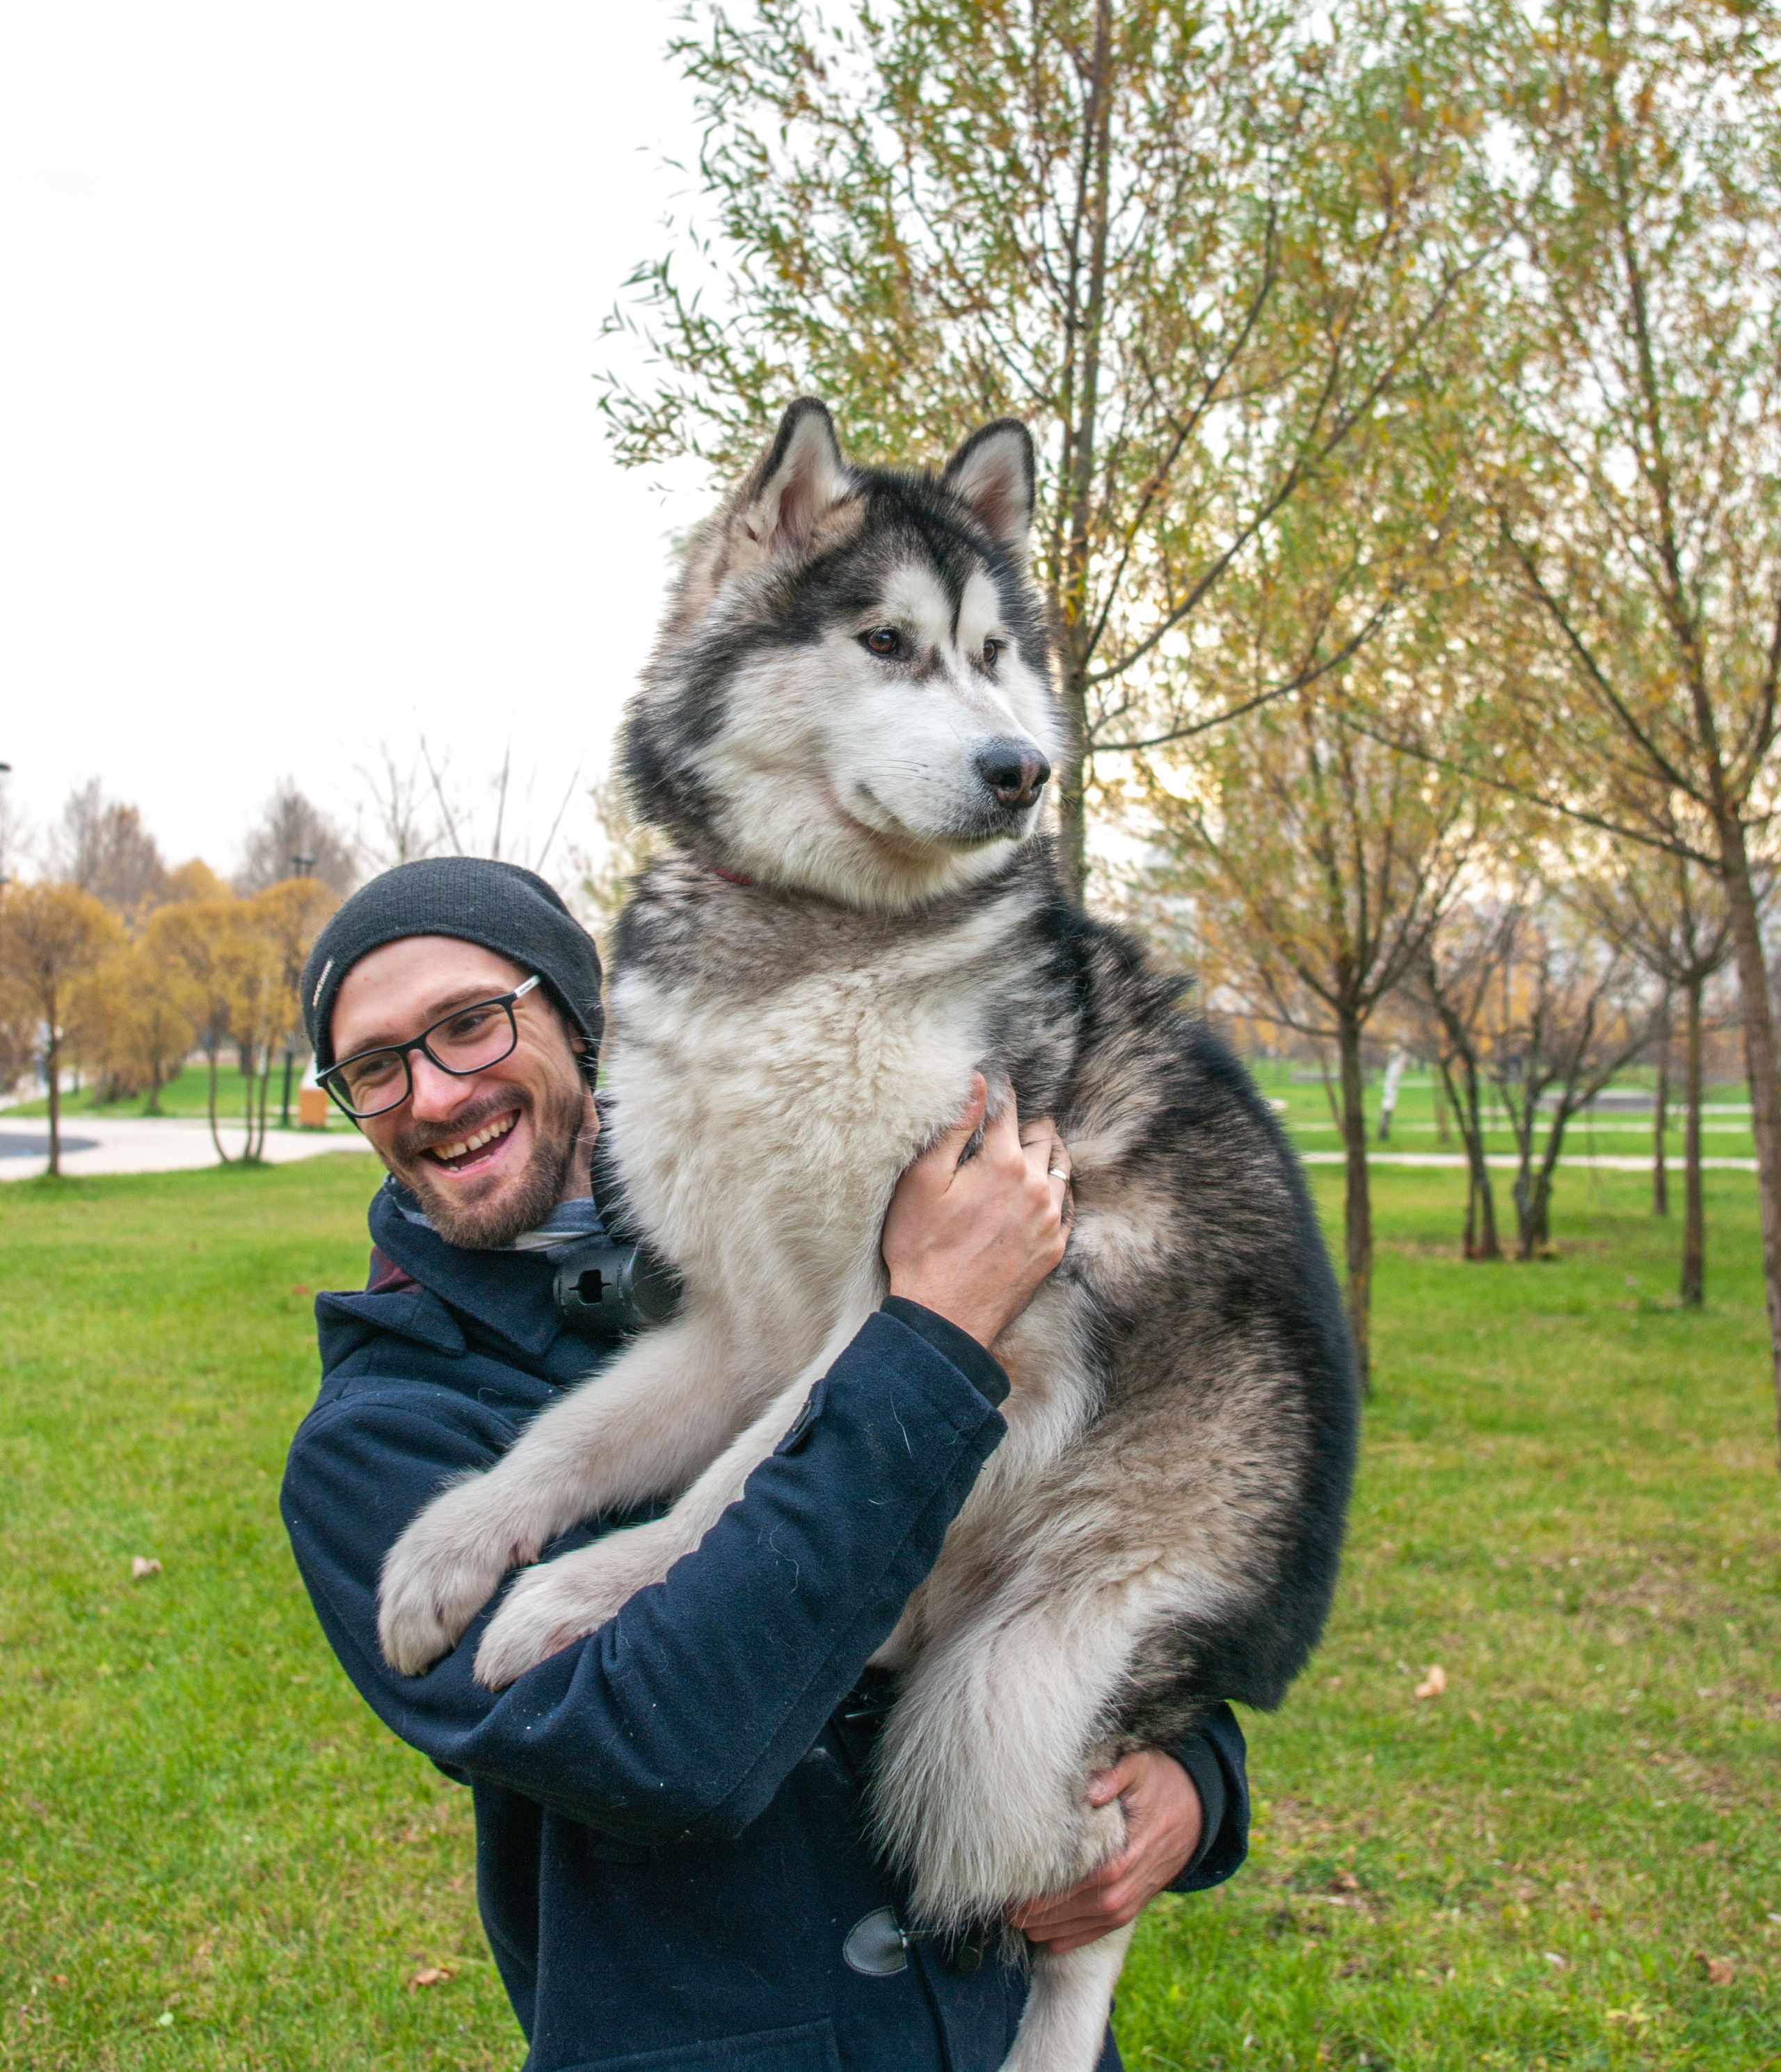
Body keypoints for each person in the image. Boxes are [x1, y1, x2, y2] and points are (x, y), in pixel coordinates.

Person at [280, 857, 1249, 2072]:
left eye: (471, 1025)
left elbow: (1111, 1486)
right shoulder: (385, 1436)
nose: (430, 1093)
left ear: (579, 1021)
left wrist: (1192, 1784)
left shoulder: (777, 1204)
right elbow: (662, 1741)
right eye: (373, 1067)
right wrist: (935, 1332)